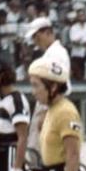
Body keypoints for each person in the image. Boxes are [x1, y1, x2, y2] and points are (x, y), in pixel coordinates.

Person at [24, 16, 71, 153]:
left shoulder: (57, 53)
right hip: (47, 104)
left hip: (50, 105)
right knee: (35, 149)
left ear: (48, 33)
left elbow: (58, 85)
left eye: (37, 36)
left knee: (38, 151)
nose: (35, 41)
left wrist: (45, 111)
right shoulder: (50, 53)